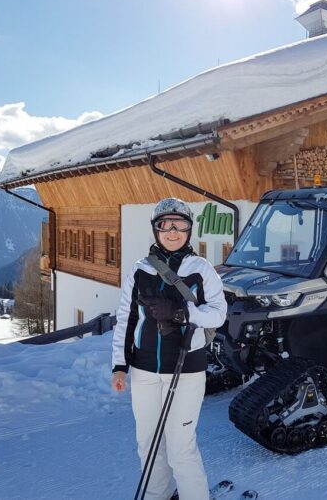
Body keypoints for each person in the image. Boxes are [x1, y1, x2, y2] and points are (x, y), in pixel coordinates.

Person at [111, 197, 227, 500]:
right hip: (144, 370)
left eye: (180, 225)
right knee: (148, 445)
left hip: (186, 369)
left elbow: (218, 314)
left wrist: (184, 313)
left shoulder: (201, 269)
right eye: (165, 224)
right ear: (156, 229)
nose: (172, 231)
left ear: (189, 230)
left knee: (180, 447)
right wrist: (120, 365)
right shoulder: (139, 271)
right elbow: (126, 319)